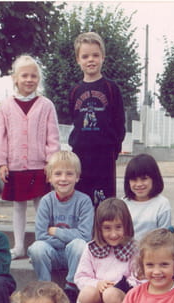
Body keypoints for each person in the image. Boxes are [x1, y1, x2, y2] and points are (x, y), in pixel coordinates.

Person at [0, 55, 60, 259]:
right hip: (15, 166)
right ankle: (19, 246)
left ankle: (41, 247)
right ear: (15, 78)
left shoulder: (46, 105)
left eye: (33, 76)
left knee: (42, 207)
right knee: (18, 206)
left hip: (40, 166)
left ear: (38, 79)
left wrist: (51, 162)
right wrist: (1, 163)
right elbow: (0, 136)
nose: (29, 80)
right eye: (24, 76)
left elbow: (53, 136)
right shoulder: (6, 106)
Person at [27, 150, 94, 303]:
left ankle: (71, 287)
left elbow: (85, 236)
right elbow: (41, 236)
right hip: (52, 254)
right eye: (58, 174)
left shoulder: (84, 201)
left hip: (75, 255)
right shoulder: (46, 201)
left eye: (69, 174)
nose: (63, 179)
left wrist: (56, 232)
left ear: (77, 177)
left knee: (79, 245)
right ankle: (45, 288)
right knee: (37, 248)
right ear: (50, 177)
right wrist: (69, 237)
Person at [68, 31, 125, 206]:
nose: (90, 60)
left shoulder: (111, 88)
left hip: (104, 155)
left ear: (103, 57)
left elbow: (119, 122)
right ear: (78, 60)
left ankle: (104, 225)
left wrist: (114, 148)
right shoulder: (75, 90)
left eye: (95, 55)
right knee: (81, 199)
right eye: (85, 56)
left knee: (104, 201)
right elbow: (74, 119)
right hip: (81, 154)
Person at [74, 198, 138, 303]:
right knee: (87, 292)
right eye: (107, 228)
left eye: (118, 227)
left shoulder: (134, 249)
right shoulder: (91, 248)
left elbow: (138, 279)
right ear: (99, 228)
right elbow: (80, 277)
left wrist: (117, 286)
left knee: (110, 294)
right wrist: (98, 284)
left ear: (127, 226)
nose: (113, 234)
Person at [121, 154, 172, 240]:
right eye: (134, 180)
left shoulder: (162, 204)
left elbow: (165, 239)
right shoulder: (122, 204)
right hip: (125, 248)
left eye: (144, 179)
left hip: (154, 248)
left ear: (154, 179)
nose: (139, 184)